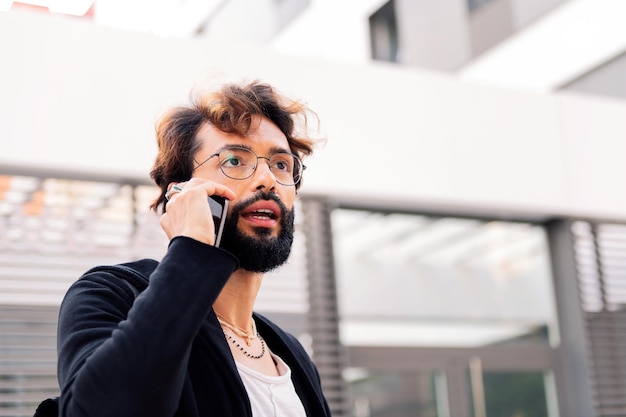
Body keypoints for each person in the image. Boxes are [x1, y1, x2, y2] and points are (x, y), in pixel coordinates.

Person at [53, 80, 331, 417]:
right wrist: (190, 250)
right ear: (181, 193)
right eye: (234, 160)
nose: (267, 179)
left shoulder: (290, 353)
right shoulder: (112, 295)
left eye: (281, 165)